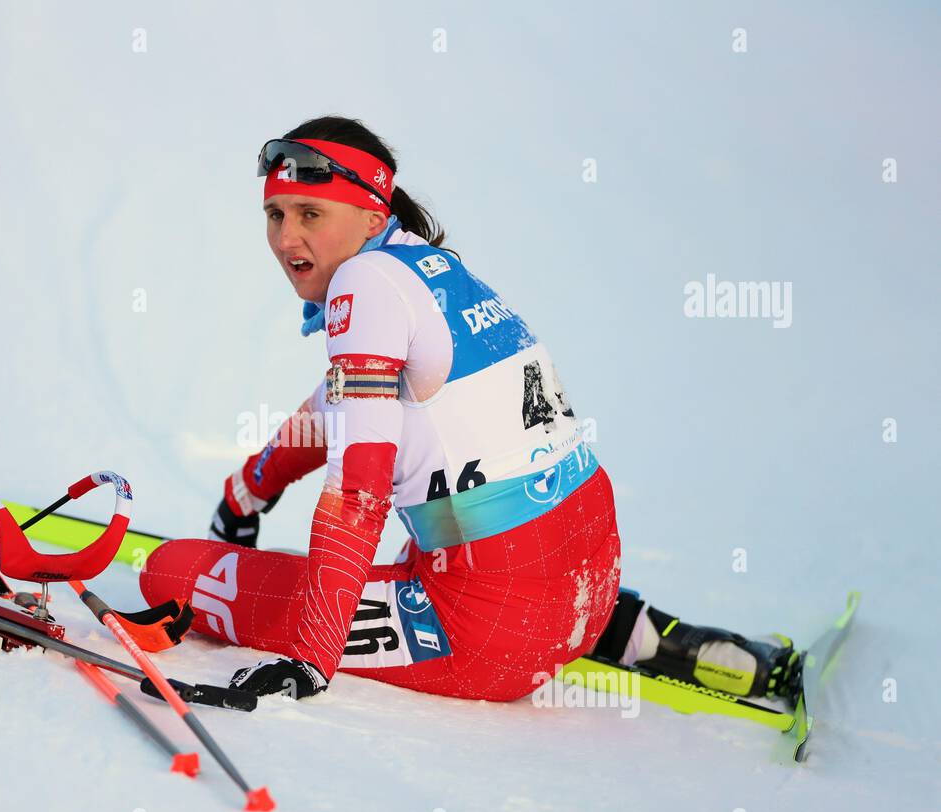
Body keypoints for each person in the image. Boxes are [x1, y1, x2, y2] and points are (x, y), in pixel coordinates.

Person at [138, 116, 799, 703]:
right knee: (448, 542)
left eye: (311, 213)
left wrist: (314, 657)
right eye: (275, 213)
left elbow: (359, 492)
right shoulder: (428, 268)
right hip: (587, 578)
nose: (286, 238)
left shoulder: (362, 284)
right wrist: (249, 490)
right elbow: (337, 403)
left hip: (486, 633)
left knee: (168, 571)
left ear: (372, 216)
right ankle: (649, 636)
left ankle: (546, 630)